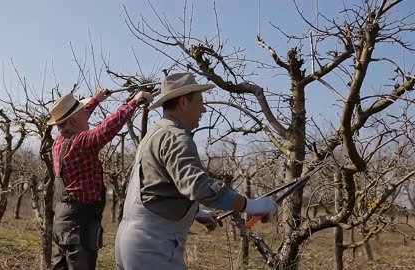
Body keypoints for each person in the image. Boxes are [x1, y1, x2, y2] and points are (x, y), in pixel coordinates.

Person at [115, 72, 277, 270]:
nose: (204, 109)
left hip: (131, 243)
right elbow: (200, 187)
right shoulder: (176, 137)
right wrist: (252, 205)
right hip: (153, 247)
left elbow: (156, 188)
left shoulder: (155, 134)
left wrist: (195, 212)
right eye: (200, 101)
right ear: (183, 102)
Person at [48, 88, 153, 270]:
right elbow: (106, 129)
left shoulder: (59, 141)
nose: (86, 115)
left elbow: (80, 116)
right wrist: (133, 103)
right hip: (80, 222)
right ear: (73, 120)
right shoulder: (79, 142)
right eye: (82, 112)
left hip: (62, 219)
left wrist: (96, 100)